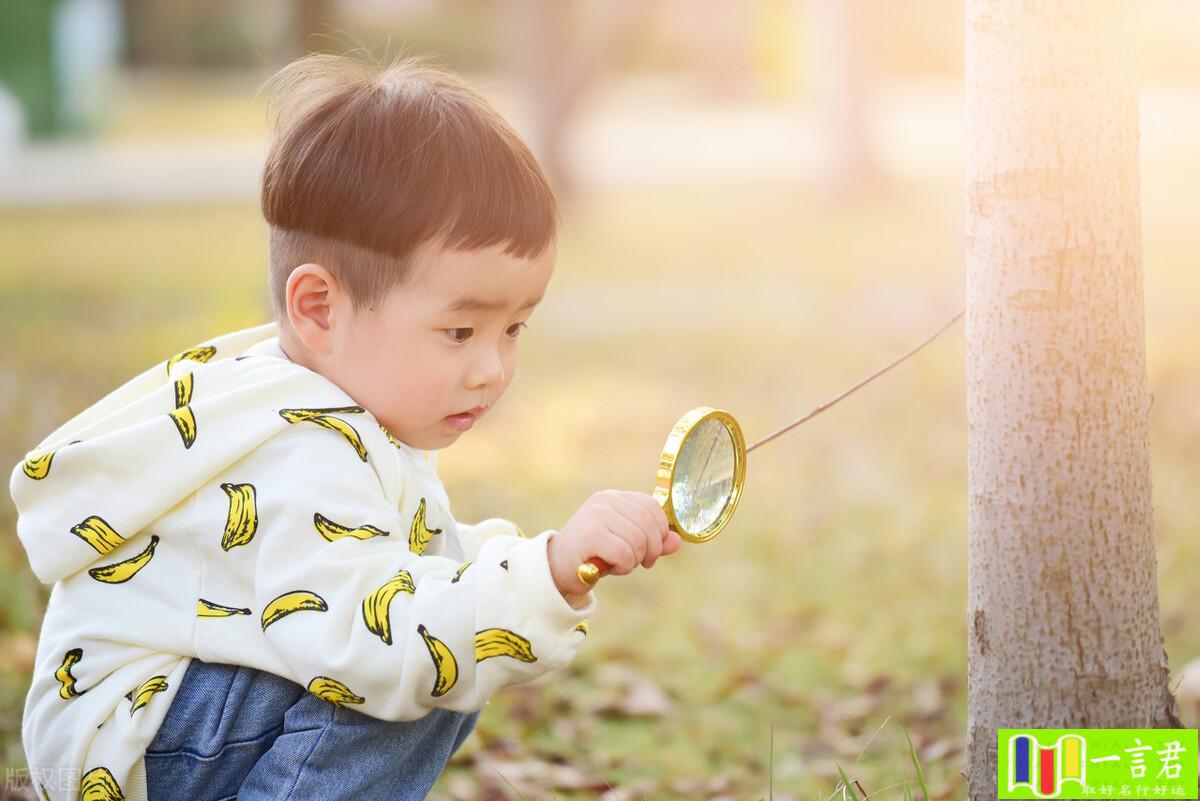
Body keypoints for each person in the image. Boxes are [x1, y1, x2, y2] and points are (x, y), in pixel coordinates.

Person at [9, 53, 681, 801]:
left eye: (515, 327)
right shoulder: (298, 450)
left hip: (158, 730)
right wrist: (543, 577)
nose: (492, 368)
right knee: (420, 662)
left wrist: (547, 562)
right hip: (144, 748)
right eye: (460, 331)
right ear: (319, 308)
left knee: (452, 640)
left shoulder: (326, 401)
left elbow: (419, 558)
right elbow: (381, 638)